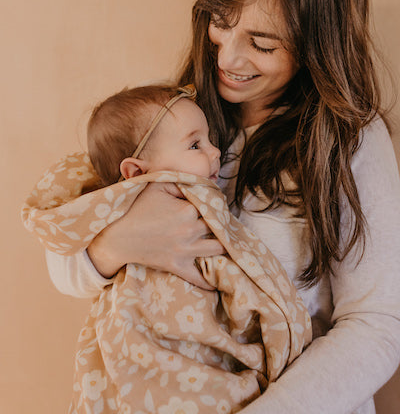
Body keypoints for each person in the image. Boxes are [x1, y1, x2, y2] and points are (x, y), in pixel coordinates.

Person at [32, 0, 400, 414]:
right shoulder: (172, 117)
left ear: (315, 44)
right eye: (221, 23)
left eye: (262, 44)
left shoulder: (348, 142)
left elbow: (376, 326)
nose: (227, 57)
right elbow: (64, 258)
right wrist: (117, 245)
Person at [23, 83, 311, 413]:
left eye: (209, 140)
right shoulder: (177, 187)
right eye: (195, 145)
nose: (215, 152)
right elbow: (244, 267)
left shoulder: (170, 142)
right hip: (134, 339)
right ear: (135, 171)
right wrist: (281, 327)